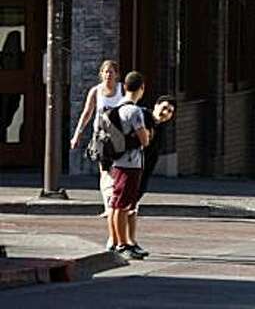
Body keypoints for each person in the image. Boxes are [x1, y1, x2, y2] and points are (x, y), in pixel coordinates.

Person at [69, 59, 124, 250]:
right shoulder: (96, 91)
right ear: (101, 74)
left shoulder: (122, 91)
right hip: (101, 137)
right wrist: (77, 135)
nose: (108, 75)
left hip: (120, 138)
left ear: (117, 74)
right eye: (105, 72)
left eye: (112, 72)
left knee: (118, 172)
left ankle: (115, 201)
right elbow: (87, 113)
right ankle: (108, 204)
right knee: (105, 172)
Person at [125, 95, 177, 258]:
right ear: (156, 105)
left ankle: (131, 241)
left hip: (144, 171)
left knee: (133, 207)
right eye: (164, 107)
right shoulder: (143, 117)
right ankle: (121, 242)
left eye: (170, 111)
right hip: (132, 168)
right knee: (126, 207)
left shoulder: (159, 126)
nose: (166, 112)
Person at [109, 71, 150, 260]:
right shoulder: (135, 111)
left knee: (118, 203)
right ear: (141, 88)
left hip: (117, 161)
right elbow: (145, 139)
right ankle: (122, 244)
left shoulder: (116, 108)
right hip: (130, 163)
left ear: (124, 87)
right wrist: (146, 134)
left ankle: (119, 241)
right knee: (123, 205)